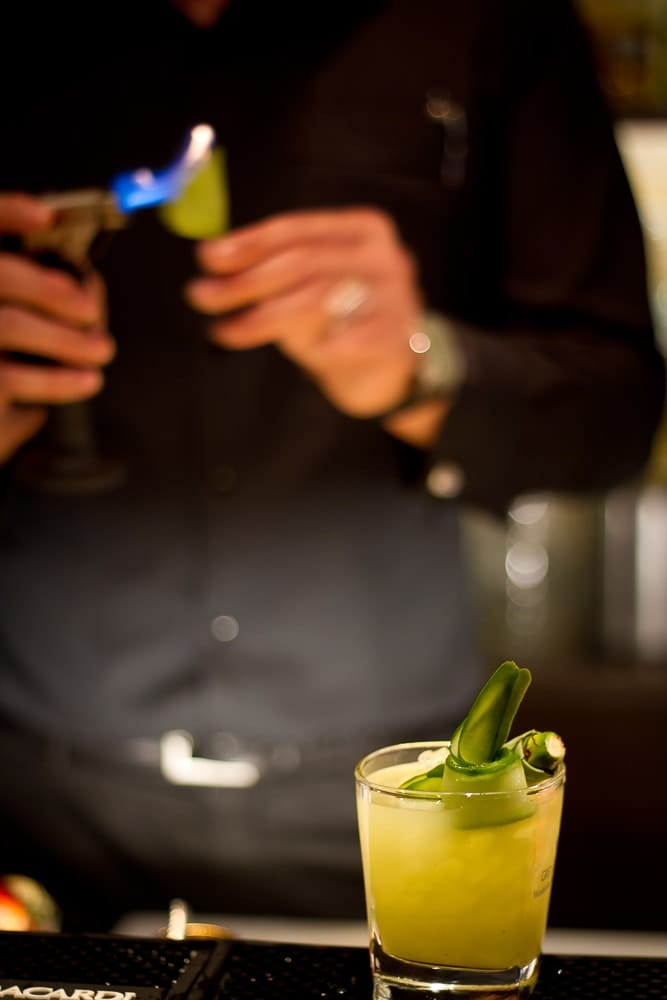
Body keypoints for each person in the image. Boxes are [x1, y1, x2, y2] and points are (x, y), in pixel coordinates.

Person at [0, 0, 664, 932]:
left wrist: (422, 368)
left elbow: (617, 420)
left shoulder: (494, 25)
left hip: (386, 800)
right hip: (31, 803)